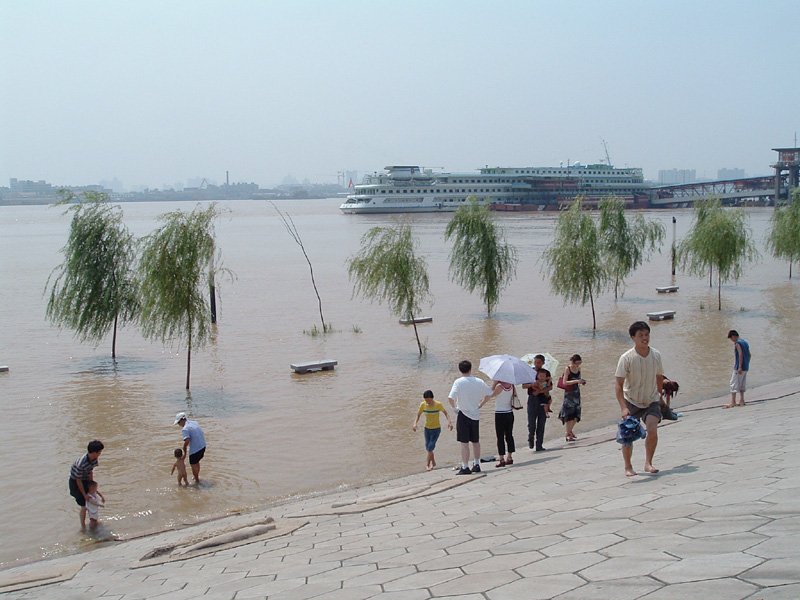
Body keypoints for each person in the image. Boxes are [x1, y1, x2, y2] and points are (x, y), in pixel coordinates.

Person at [615, 321, 664, 477]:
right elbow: (618, 384)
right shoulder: (626, 358)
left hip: (651, 400)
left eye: (647, 334)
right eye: (640, 335)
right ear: (633, 338)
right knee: (627, 435)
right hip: (631, 400)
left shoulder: (656, 355)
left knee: (652, 429)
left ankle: (648, 463)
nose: (645, 338)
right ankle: (628, 466)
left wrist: (660, 395)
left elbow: (659, 377)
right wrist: (624, 407)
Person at [448, 360, 499, 475]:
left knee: (464, 443)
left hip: (463, 414)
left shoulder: (458, 382)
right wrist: (481, 403)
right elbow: (490, 393)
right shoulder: (478, 381)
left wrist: (454, 408)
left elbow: (450, 398)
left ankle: (465, 466)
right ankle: (476, 464)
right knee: (475, 441)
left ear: (460, 370)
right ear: (471, 369)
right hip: (475, 414)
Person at [412, 390, 453, 471]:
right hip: (427, 429)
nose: (428, 402)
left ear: (432, 398)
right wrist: (415, 424)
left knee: (430, 448)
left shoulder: (438, 404)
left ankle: (428, 465)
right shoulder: (423, 405)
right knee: (428, 447)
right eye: (426, 400)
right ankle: (433, 461)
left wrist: (450, 422)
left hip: (436, 429)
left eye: (430, 400)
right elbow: (418, 415)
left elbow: (446, 413)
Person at [68, 440, 104, 529]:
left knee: (91, 501)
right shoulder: (81, 463)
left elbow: (90, 471)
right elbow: (78, 480)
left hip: (85, 479)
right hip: (76, 482)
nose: (100, 454)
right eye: (99, 452)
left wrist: (92, 484)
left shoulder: (94, 460)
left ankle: (93, 521)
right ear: (94, 453)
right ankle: (83, 526)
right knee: (84, 505)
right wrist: (84, 495)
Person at [522, 354, 553, 450]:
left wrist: (541, 391)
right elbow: (523, 386)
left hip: (543, 399)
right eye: (535, 362)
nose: (537, 364)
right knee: (531, 423)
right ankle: (530, 437)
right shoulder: (530, 372)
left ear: (543, 363)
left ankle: (539, 444)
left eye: (539, 362)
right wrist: (532, 384)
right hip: (532, 399)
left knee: (541, 423)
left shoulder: (546, 373)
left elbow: (550, 386)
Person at [174, 412, 206, 484]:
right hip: (203, 445)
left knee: (193, 464)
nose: (179, 425)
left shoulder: (185, 429)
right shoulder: (194, 422)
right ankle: (196, 477)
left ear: (182, 420)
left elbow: (187, 440)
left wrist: (184, 449)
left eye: (179, 423)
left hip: (195, 449)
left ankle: (197, 481)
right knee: (197, 461)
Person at [559, 355, 586, 442]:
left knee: (576, 415)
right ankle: (567, 434)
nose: (577, 365)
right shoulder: (567, 369)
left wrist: (581, 382)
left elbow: (579, 379)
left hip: (576, 393)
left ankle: (570, 431)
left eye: (579, 363)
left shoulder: (578, 369)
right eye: (576, 363)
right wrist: (577, 381)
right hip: (569, 394)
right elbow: (565, 382)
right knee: (569, 415)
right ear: (572, 362)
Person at [492, 380, 517, 467]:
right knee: (509, 435)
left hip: (500, 413)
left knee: (500, 436)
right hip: (509, 413)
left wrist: (494, 384)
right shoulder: (512, 385)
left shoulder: (499, 387)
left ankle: (501, 458)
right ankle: (509, 457)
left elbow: (491, 394)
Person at [725, 330, 751, 408]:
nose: (732, 341)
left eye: (731, 339)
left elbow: (740, 354)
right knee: (742, 384)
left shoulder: (738, 343)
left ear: (733, 336)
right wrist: (747, 363)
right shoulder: (745, 342)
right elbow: (749, 355)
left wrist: (739, 366)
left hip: (739, 367)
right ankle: (742, 400)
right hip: (746, 367)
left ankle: (733, 402)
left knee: (733, 383)